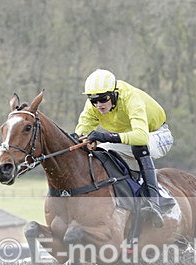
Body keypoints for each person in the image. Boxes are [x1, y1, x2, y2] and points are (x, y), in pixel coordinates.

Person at [75, 69, 176, 228]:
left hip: (156, 135)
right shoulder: (93, 106)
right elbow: (80, 133)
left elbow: (141, 136)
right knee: (100, 151)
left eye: (103, 99)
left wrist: (106, 136)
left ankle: (154, 202)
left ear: (114, 94)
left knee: (138, 146)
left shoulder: (130, 98)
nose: (98, 105)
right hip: (129, 137)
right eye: (93, 100)